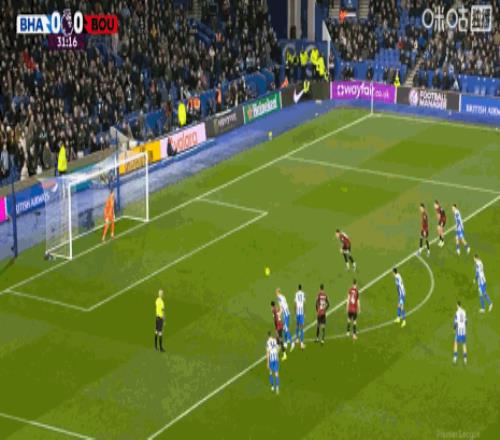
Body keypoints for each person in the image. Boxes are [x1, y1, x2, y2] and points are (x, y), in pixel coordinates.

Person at [294, 284, 306, 349]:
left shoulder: (296, 294)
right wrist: (304, 312)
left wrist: (295, 312)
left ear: (298, 288)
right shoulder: (303, 294)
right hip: (301, 312)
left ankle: (296, 339)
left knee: (297, 325)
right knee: (301, 327)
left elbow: (295, 304)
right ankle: (301, 344)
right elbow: (303, 303)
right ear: (301, 288)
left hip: (297, 312)